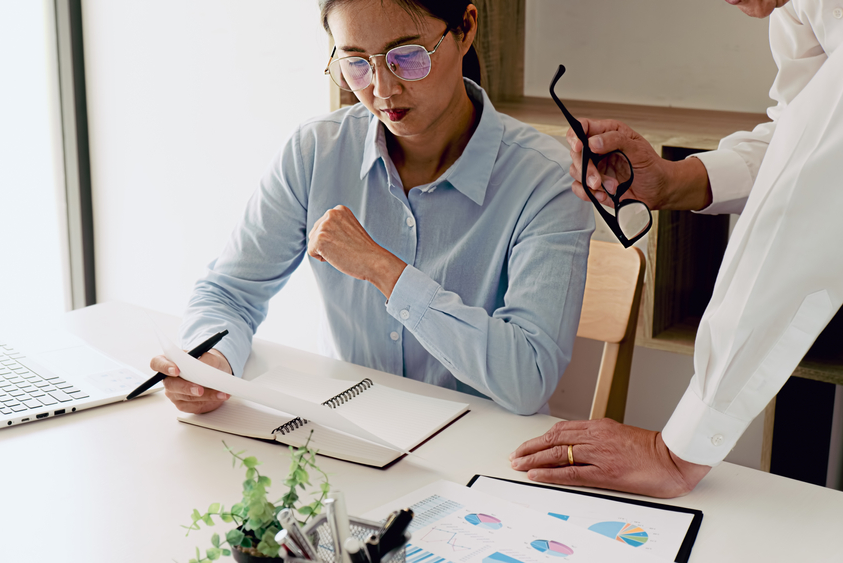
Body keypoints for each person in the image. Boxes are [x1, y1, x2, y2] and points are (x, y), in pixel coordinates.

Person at [150, 0, 594, 416]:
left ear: (465, 28)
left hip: (480, 465)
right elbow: (230, 292)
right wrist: (210, 360)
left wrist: (385, 270)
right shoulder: (316, 152)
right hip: (350, 438)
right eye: (356, 63)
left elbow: (529, 378)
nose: (383, 89)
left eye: (407, 56)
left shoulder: (547, 180)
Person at [510, 0, 843, 498]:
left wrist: (678, 453)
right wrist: (676, 181)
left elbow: (807, 200)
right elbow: (799, 136)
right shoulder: (799, 10)